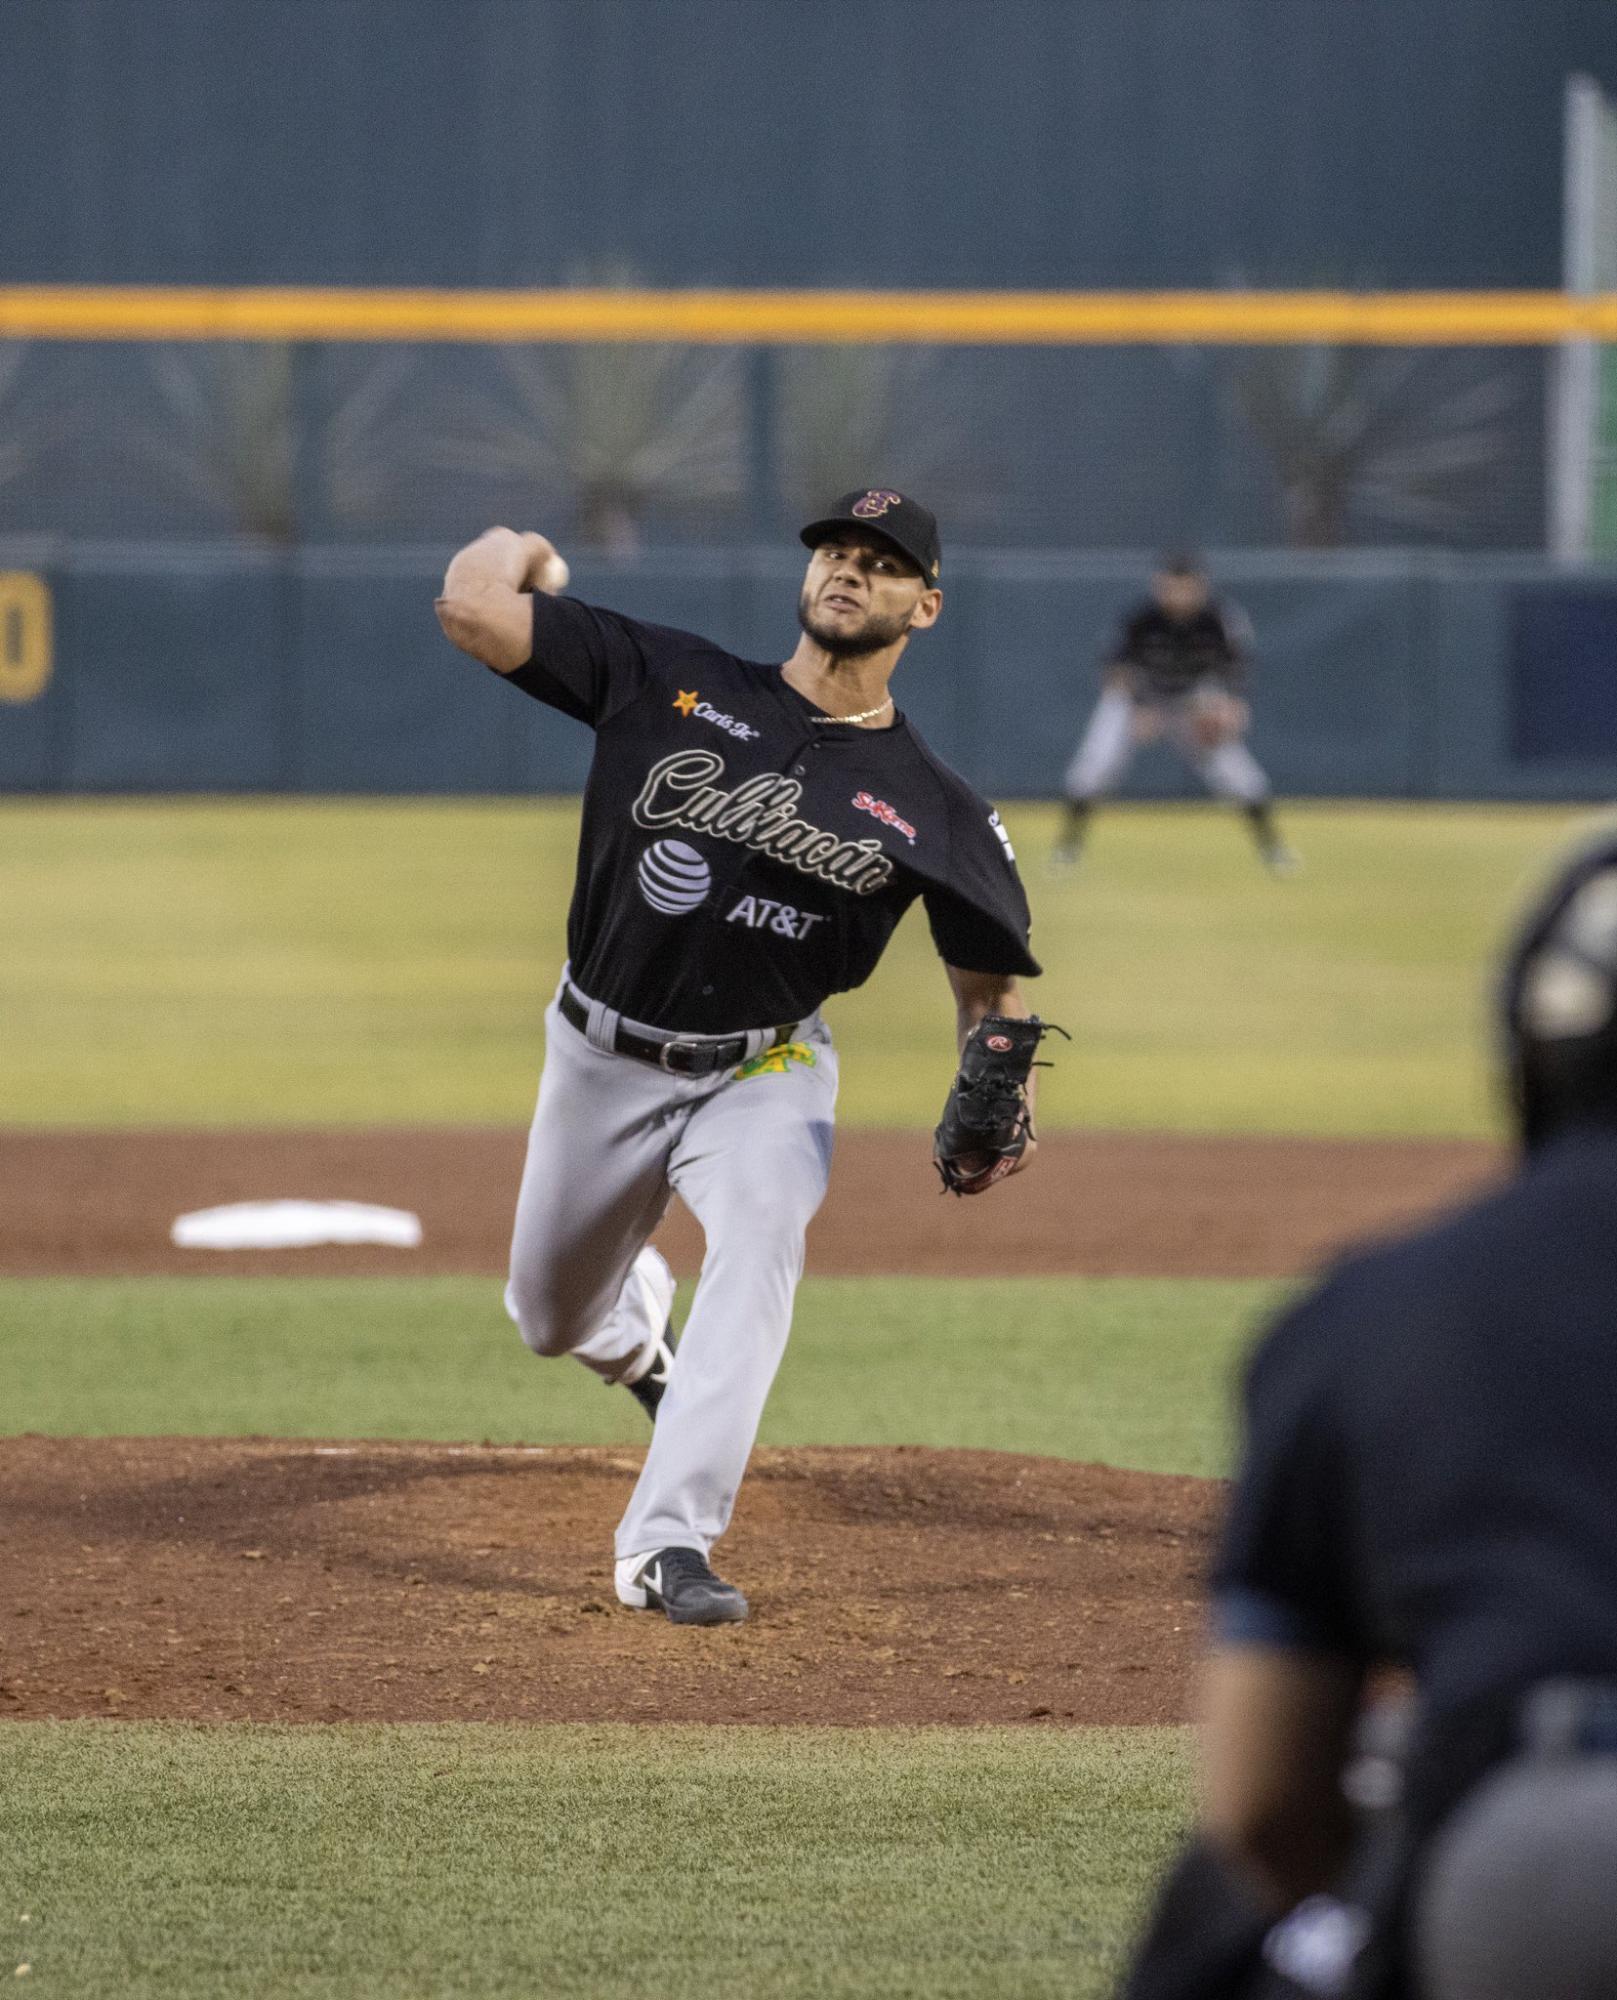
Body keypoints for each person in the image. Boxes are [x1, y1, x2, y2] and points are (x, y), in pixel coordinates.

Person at [434, 489, 1042, 1628]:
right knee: (549, 1319)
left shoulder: (937, 807)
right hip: (600, 1053)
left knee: (764, 1231)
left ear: (928, 604)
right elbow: (471, 606)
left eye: (882, 561)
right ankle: (635, 1329)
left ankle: (667, 1542)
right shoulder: (667, 677)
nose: (850, 572)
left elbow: (990, 991)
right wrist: (521, 543)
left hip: (766, 1068)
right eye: (835, 552)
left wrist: (989, 1076)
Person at [1123, 828, 1617, 2000]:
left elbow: (1265, 1804)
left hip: (1531, 1867)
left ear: (1532, 1049)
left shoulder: (1379, 1310)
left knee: (1215, 1923)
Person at [1049, 555, 1296, 874]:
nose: (1178, 597)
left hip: (1191, 702)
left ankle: (1273, 849)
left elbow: (1238, 668)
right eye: (1171, 588)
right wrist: (1140, 707)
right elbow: (1114, 671)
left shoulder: (1220, 619)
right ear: (1159, 586)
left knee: (1239, 775)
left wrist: (1232, 703)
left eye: (1186, 589)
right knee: (1094, 767)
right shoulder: (1140, 618)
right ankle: (1067, 850)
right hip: (1134, 699)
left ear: (1200, 587)